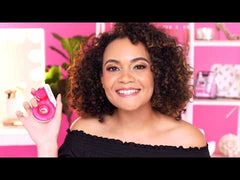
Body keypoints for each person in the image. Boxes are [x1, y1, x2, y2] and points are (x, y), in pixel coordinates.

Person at [16, 23, 210, 157]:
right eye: (113, 68)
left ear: (157, 73)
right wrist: (46, 143)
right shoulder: (84, 132)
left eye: (139, 66)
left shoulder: (188, 141)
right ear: (100, 79)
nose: (125, 78)